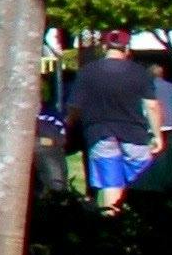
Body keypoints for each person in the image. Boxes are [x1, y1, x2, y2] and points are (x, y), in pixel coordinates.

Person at [64, 28, 166, 204]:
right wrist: (157, 135)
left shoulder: (88, 71)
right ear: (127, 49)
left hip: (99, 132)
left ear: (105, 47)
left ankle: (113, 220)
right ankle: (137, 222)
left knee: (111, 183)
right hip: (135, 134)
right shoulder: (139, 72)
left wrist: (69, 124)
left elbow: (74, 106)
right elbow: (152, 105)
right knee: (141, 182)